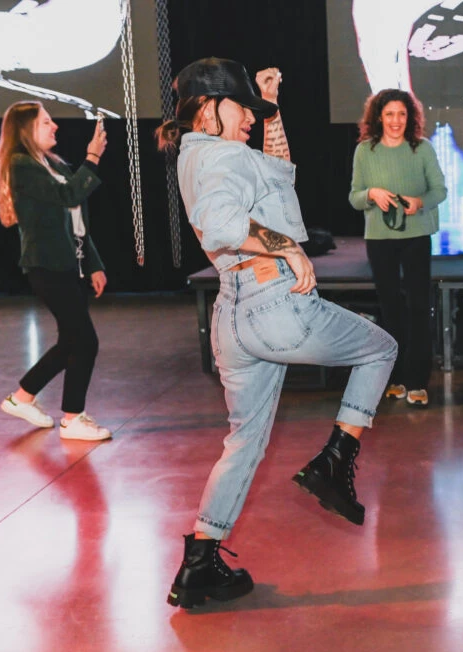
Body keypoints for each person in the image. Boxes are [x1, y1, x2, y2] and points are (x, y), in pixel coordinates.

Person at [156, 58, 397, 609]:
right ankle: (335, 461)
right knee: (382, 347)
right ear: (213, 106)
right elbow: (222, 224)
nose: (250, 120)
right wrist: (285, 245)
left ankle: (199, 562)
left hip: (234, 317)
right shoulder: (219, 155)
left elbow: (273, 172)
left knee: (243, 442)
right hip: (274, 304)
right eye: (245, 109)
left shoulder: (204, 155)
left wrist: (271, 108)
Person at [0, 100, 113, 441]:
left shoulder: (47, 165)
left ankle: (23, 397)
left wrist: (94, 265)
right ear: (27, 129)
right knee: (83, 341)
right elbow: (70, 194)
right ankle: (71, 418)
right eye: (47, 122)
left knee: (72, 340)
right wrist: (93, 157)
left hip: (66, 266)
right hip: (46, 266)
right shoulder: (21, 165)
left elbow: (76, 221)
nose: (55, 126)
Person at [349, 89, 447, 407]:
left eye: (402, 114)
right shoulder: (365, 151)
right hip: (380, 239)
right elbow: (354, 196)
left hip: (417, 236)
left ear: (410, 117)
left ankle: (418, 380)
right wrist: (371, 194)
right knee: (390, 308)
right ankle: (395, 379)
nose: (396, 120)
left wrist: (419, 203)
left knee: (419, 307)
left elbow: (440, 190)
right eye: (390, 114)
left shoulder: (422, 149)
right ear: (379, 116)